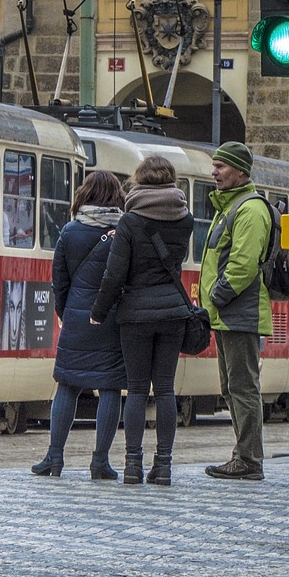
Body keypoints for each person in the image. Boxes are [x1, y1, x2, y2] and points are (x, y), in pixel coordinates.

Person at [90, 156, 193, 485]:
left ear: (140, 181)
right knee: (165, 390)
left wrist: (99, 311)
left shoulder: (130, 222)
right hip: (172, 312)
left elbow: (114, 273)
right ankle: (163, 465)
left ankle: (133, 464)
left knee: (135, 390)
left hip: (135, 313)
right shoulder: (184, 219)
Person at [32, 171, 126, 479]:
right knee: (110, 386)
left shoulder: (70, 231)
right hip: (112, 318)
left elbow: (59, 280)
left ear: (84, 194)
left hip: (76, 317)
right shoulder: (125, 231)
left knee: (68, 385)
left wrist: (65, 312)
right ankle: (100, 462)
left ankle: (54, 458)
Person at [198, 141, 275, 482]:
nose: (214, 172)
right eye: (214, 166)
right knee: (232, 387)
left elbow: (242, 265)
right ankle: (244, 456)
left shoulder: (249, 209)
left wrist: (216, 296)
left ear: (241, 171)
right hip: (229, 313)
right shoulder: (231, 206)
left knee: (242, 387)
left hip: (237, 312)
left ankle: (248, 459)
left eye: (221, 166)